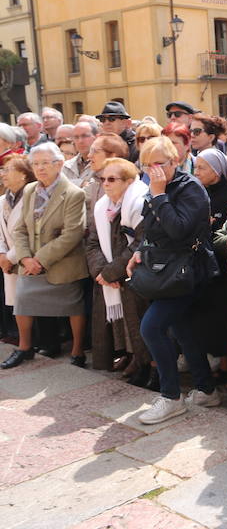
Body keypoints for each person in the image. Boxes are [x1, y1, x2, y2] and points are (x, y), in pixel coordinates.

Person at [125, 137, 221, 424]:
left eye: (160, 164)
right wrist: (138, 253)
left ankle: (171, 397)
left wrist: (158, 195)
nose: (153, 171)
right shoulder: (158, 187)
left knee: (152, 327)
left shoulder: (190, 188)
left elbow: (179, 231)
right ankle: (206, 389)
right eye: (147, 165)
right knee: (182, 331)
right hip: (162, 269)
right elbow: (150, 232)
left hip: (187, 272)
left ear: (175, 161)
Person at [1, 143, 90, 369]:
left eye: (45, 163)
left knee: (73, 306)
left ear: (59, 164)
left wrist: (39, 259)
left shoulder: (74, 193)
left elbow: (73, 234)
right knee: (22, 301)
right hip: (29, 261)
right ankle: (24, 348)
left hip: (63, 261)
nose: (40, 168)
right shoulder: (31, 190)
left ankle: (78, 350)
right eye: (36, 164)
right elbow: (19, 229)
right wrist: (25, 259)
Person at [84, 157, 150, 381]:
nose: (105, 183)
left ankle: (144, 366)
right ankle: (129, 356)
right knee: (120, 323)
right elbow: (92, 242)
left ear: (129, 181)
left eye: (112, 179)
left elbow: (141, 243)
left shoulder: (140, 203)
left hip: (134, 275)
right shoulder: (102, 206)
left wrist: (111, 272)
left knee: (137, 321)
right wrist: (101, 272)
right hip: (109, 277)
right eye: (102, 179)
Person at [193, 148, 227, 366]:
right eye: (196, 166)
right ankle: (223, 363)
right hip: (207, 265)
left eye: (202, 167)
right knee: (213, 318)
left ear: (217, 169)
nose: (197, 171)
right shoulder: (201, 193)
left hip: (226, 265)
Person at [0, 156, 33, 329]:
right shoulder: (2, 200)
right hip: (7, 259)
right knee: (17, 304)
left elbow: (28, 232)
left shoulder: (32, 198)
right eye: (2, 170)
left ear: (23, 175)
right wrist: (1, 254)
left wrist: (10, 258)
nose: (3, 174)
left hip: (26, 257)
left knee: (32, 304)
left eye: (8, 170)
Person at [62, 118, 98, 188]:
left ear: (96, 137)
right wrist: (81, 183)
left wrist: (69, 183)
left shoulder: (103, 164)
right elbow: (59, 188)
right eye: (76, 137)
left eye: (84, 136)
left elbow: (93, 191)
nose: (80, 141)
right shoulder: (66, 165)